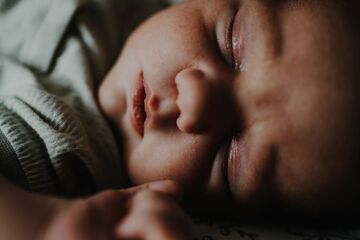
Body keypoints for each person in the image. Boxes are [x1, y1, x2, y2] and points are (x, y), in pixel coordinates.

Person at [1, 0, 360, 239]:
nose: (192, 99)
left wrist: (43, 223)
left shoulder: (50, 144)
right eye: (231, 45)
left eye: (232, 157)